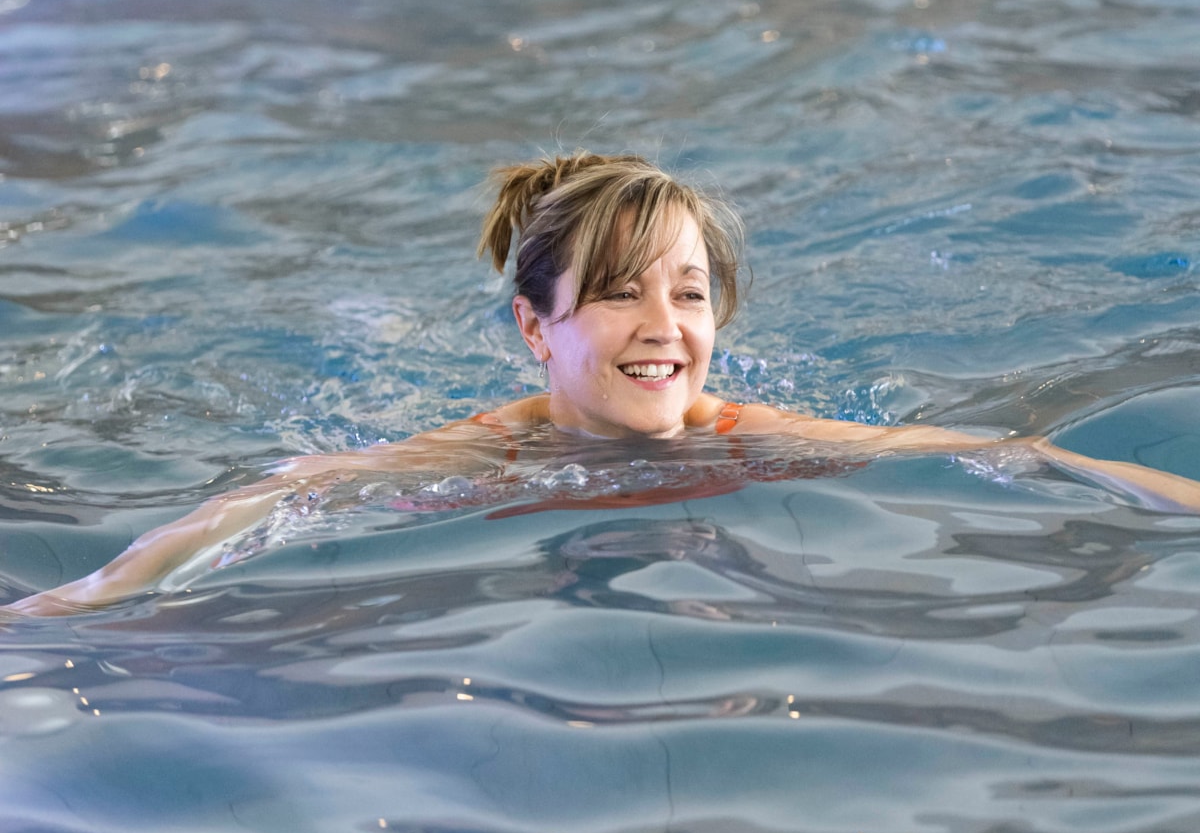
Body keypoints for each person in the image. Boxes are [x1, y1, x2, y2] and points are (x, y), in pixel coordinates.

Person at [6, 151, 1200, 617]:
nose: (663, 327)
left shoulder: (754, 435)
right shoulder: (493, 454)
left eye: (689, 294)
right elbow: (285, 493)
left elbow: (1004, 455)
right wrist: (63, 610)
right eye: (622, 291)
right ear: (537, 329)